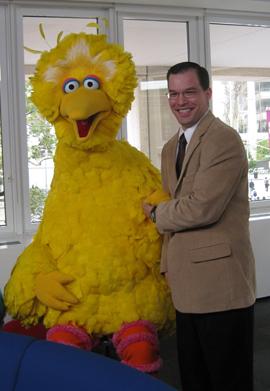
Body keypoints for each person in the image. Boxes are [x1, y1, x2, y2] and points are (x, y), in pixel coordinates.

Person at [143, 61, 256, 391]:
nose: (181, 101)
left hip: (221, 288)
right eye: (174, 94)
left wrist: (154, 214)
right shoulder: (169, 148)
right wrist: (167, 267)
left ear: (207, 93)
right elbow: (178, 206)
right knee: (195, 379)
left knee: (227, 380)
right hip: (186, 286)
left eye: (190, 92)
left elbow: (202, 208)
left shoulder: (224, 140)